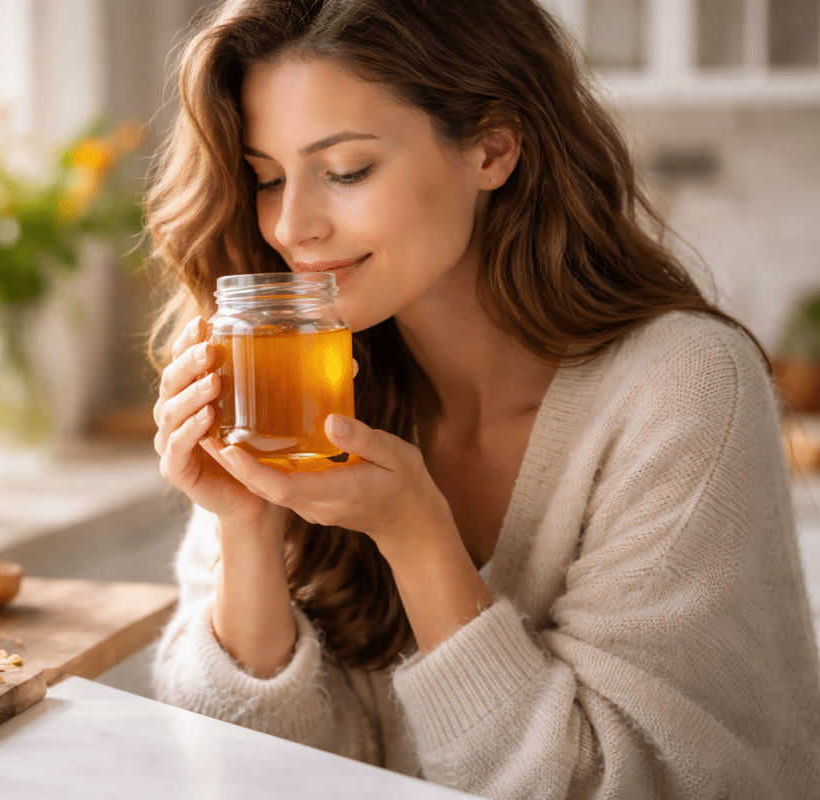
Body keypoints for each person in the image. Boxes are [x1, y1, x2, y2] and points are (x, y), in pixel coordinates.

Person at [143, 0, 820, 797]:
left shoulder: (683, 387)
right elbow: (241, 773)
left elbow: (626, 787)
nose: (292, 227)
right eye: (267, 178)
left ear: (494, 148)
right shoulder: (297, 379)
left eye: (348, 170)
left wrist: (416, 536)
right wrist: (247, 529)